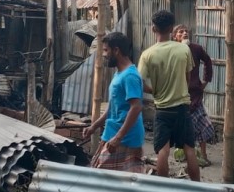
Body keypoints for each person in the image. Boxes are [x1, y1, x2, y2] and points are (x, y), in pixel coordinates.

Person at [138, 10, 200, 181]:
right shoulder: (183, 49)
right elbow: (188, 78)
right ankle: (199, 188)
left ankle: (163, 189)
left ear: (153, 29)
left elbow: (139, 82)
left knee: (163, 151)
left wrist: (153, 91)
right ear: (172, 29)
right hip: (182, 108)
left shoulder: (147, 54)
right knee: (189, 149)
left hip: (163, 110)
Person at [83, 32, 145, 173]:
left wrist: (118, 137)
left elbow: (136, 107)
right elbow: (112, 108)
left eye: (106, 50)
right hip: (113, 134)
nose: (104, 55)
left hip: (125, 139)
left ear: (116, 50)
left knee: (105, 178)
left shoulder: (130, 76)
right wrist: (94, 127)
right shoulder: (119, 74)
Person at [173, 24, 215, 166]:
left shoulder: (196, 49)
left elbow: (207, 61)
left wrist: (205, 81)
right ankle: (184, 154)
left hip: (195, 95)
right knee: (184, 127)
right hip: (179, 96)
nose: (185, 33)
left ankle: (203, 155)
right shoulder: (172, 51)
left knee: (204, 126)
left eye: (186, 31)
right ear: (175, 37)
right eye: (181, 32)